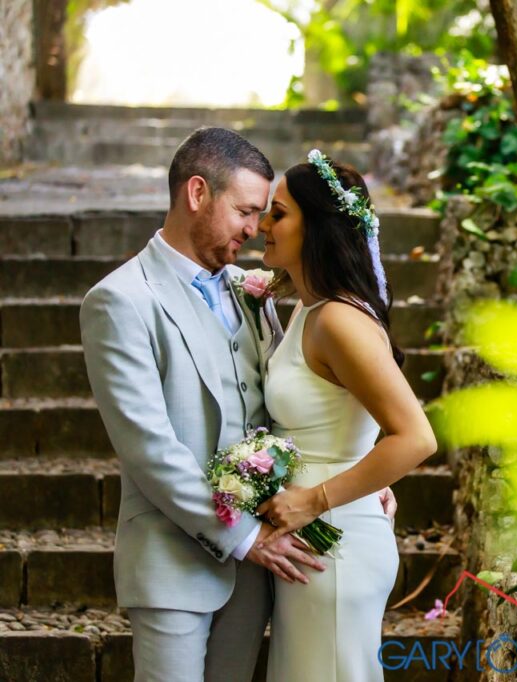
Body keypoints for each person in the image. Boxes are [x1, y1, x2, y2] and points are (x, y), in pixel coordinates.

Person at [80, 128, 397, 682]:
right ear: (197, 194)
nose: (256, 230)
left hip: (260, 572)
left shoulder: (251, 290)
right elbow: (148, 446)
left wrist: (357, 467)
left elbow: (299, 402)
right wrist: (245, 538)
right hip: (175, 560)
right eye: (247, 211)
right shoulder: (119, 300)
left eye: (266, 214)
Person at [254, 151, 437, 681]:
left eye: (278, 213)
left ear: (317, 228)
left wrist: (314, 499)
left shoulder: (339, 319)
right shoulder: (308, 307)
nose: (262, 225)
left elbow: (416, 437)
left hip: (332, 544)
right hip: (313, 542)